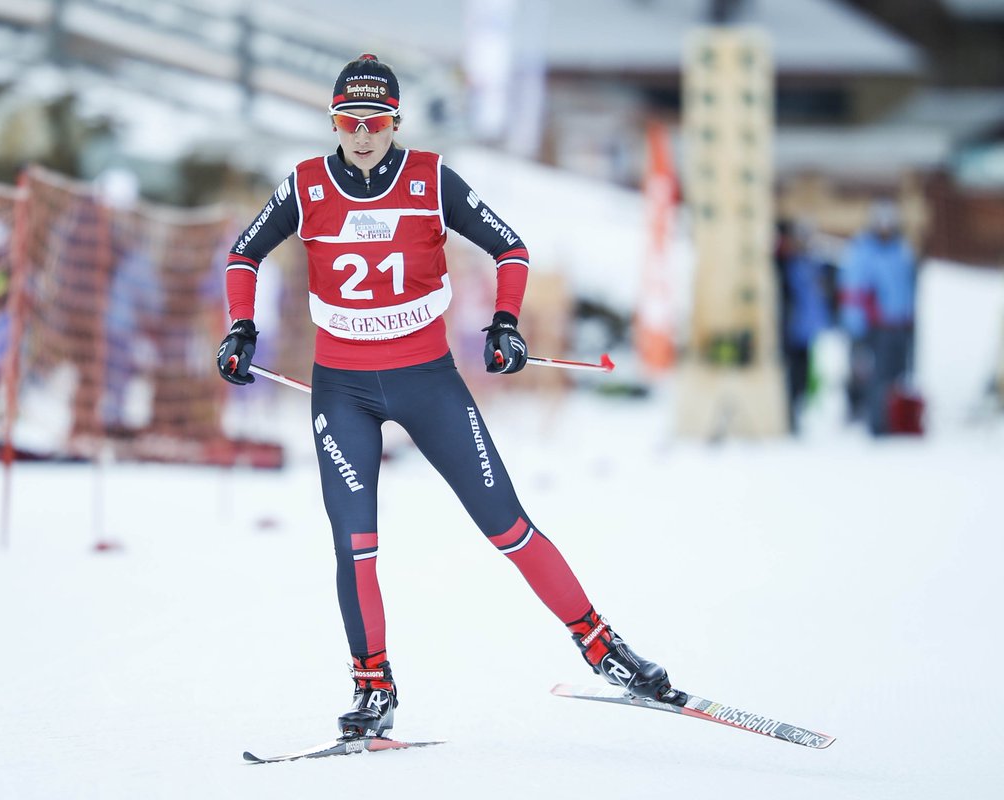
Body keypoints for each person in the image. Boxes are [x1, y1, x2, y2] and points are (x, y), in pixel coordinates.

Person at [215, 54, 676, 740]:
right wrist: (241, 327)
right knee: (356, 544)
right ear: (334, 122)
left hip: (428, 382)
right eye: (348, 120)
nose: (362, 134)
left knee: (507, 525)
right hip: (342, 392)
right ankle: (373, 686)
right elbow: (243, 255)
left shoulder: (431, 178)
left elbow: (511, 250)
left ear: (396, 122)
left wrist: (506, 323)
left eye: (375, 122)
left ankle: (602, 646)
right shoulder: (305, 186)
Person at [838, 200, 916, 436]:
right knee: (877, 377)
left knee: (898, 374)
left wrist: (909, 319)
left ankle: (897, 420)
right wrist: (856, 326)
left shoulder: (901, 250)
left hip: (899, 324)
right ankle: (877, 424)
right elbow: (853, 291)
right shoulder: (862, 251)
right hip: (875, 326)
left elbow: (908, 287)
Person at [776, 220, 832, 434]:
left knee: (804, 377)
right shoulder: (785, 265)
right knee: (790, 376)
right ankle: (789, 418)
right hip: (789, 330)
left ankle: (798, 415)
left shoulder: (813, 264)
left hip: (807, 330)